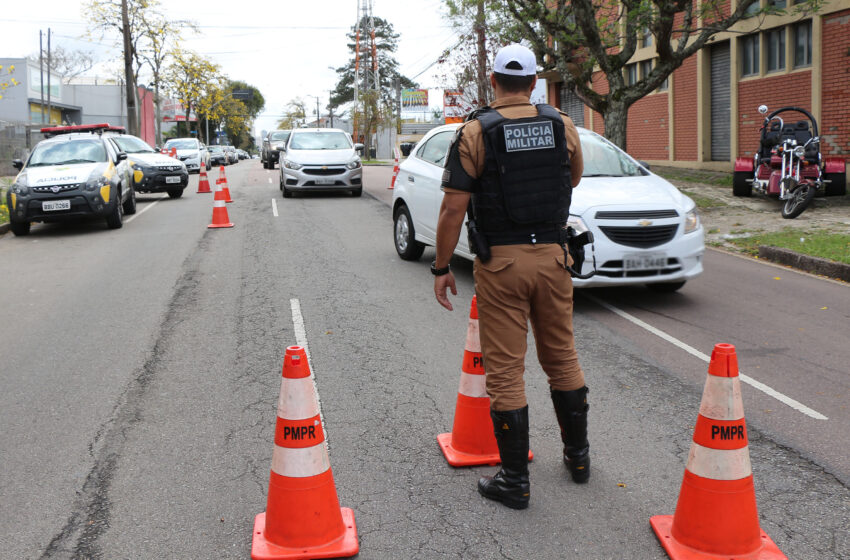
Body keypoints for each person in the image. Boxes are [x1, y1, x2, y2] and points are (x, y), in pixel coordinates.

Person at [432, 44, 589, 510]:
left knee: (504, 371)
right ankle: (578, 459)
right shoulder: (561, 124)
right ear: (535, 82)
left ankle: (515, 481)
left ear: (494, 81)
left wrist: (441, 267)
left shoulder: (476, 131)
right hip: (555, 258)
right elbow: (573, 178)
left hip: (501, 263)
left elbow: (453, 207)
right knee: (561, 356)